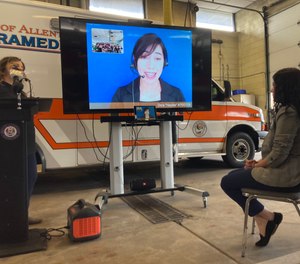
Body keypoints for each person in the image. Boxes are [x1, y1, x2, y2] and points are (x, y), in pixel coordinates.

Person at [220, 67, 300, 247]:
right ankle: (265, 217)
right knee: (233, 176)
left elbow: (280, 152)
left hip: (287, 176)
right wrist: (259, 162)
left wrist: (258, 165)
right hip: (289, 171)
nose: (272, 89)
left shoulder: (290, 113)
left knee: (227, 182)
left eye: (274, 85)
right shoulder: (293, 109)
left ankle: (266, 217)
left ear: (285, 87)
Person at [0, 56, 42, 225]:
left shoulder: (20, 91)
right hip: (9, 145)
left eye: (21, 67)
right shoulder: (1, 90)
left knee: (29, 177)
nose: (18, 69)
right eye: (14, 66)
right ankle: (11, 217)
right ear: (3, 70)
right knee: (12, 181)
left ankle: (21, 213)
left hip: (26, 142)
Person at [112, 33, 185, 103]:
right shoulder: (120, 95)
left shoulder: (176, 95)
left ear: (164, 62)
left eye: (157, 58)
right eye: (144, 57)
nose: (151, 66)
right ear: (135, 60)